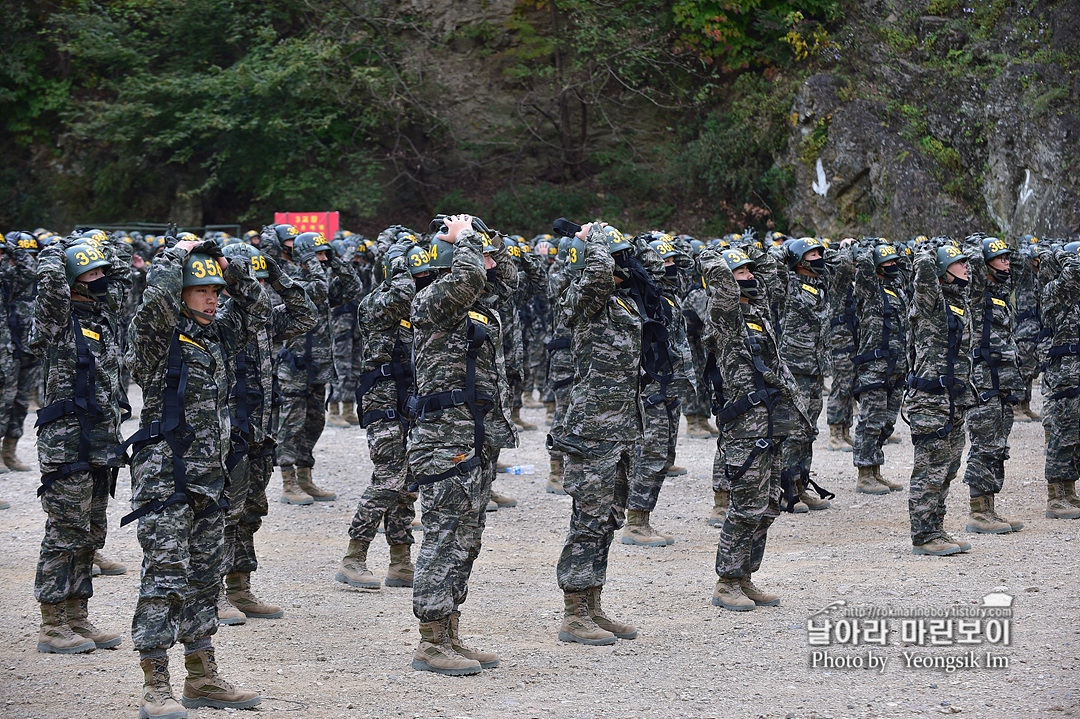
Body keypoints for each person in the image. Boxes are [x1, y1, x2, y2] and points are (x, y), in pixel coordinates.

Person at [124, 237, 263, 717]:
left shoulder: (219, 333)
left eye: (216, 290)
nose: (212, 297)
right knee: (165, 577)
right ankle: (155, 684)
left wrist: (233, 269)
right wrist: (171, 257)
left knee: (205, 579)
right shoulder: (156, 338)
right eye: (200, 288)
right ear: (180, 291)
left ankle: (202, 677)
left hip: (212, 479)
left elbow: (266, 312)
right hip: (167, 479)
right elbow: (153, 305)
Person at [407, 214, 514, 675]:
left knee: (466, 540)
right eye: (478, 254)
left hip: (475, 437)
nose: (486, 263)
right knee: (443, 539)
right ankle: (430, 642)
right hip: (443, 440)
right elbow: (470, 274)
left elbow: (507, 280)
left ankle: (451, 632)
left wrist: (487, 239)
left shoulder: (474, 305)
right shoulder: (434, 300)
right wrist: (465, 238)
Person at [699, 245, 811, 610]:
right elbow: (722, 285)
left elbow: (771, 281)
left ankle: (745, 576)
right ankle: (726, 581)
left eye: (749, 271)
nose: (749, 277)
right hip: (745, 427)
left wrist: (753, 253)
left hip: (772, 422)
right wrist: (719, 255)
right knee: (746, 505)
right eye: (741, 272)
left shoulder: (756, 312)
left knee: (768, 506)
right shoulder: (724, 317)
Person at [31, 234, 128, 654]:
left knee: (91, 533)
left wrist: (98, 249)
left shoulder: (100, 318)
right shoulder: (54, 318)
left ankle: (78, 617)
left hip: (101, 443)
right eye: (90, 273)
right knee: (65, 531)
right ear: (71, 280)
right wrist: (56, 247)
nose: (101, 278)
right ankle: (52, 624)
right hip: (66, 445)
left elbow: (122, 281)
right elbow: (50, 282)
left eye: (100, 269)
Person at [548, 221, 642, 645]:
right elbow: (598, 276)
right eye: (613, 258)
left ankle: (593, 603)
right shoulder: (584, 300)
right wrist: (595, 241)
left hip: (621, 425)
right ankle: (573, 612)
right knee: (588, 518)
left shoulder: (623, 301)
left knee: (608, 518)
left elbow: (647, 266)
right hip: (591, 429)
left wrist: (612, 244)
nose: (622, 265)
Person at [218, 242, 316, 623]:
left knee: (250, 512)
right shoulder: (220, 317)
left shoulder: (265, 319)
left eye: (261, 279)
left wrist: (280, 275)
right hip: (230, 430)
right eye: (250, 278)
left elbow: (305, 316)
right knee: (224, 513)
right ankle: (212, 593)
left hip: (261, 431)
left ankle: (239, 588)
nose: (257, 286)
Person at [337, 241, 427, 590]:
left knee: (406, 486)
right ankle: (353, 557)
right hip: (383, 404)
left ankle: (400, 561)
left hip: (409, 403)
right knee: (389, 479)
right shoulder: (377, 302)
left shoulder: (421, 306)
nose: (424, 282)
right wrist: (406, 255)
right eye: (418, 275)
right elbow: (403, 290)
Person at [275, 229, 362, 504]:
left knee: (314, 423)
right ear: (304, 257)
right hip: (295, 368)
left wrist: (335, 260)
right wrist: (312, 261)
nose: (323, 259)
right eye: (319, 254)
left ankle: (305, 478)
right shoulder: (293, 282)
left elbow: (352, 287)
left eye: (325, 253)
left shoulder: (321, 277)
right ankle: (288, 484)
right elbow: (318, 290)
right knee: (291, 425)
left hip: (319, 367)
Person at [905, 242, 976, 555]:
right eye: (958, 264)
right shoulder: (930, 300)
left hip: (953, 399)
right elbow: (922, 275)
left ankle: (937, 528)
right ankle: (923, 536)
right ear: (943, 271)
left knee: (947, 467)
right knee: (929, 470)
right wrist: (926, 252)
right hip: (930, 399)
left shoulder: (957, 300)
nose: (966, 268)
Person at [623, 233, 691, 546]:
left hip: (671, 381)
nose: (669, 267)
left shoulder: (666, 293)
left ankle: (643, 519)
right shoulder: (634, 295)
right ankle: (635, 522)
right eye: (663, 261)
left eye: (671, 260)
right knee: (649, 454)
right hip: (650, 385)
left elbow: (687, 264)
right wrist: (638, 246)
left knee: (663, 454)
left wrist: (664, 245)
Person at [776, 236, 852, 512]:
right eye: (812, 256)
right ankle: (783, 490)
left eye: (821, 254)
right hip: (794, 368)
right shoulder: (786, 284)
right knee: (792, 431)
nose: (819, 259)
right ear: (797, 262)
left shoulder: (822, 285)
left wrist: (832, 250)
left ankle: (800, 485)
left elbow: (843, 267)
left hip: (816, 368)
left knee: (808, 431)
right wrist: (790, 251)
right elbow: (772, 263)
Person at [962, 236, 1024, 533]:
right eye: (1000, 258)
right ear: (985, 263)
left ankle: (990, 509)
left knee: (999, 444)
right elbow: (972, 263)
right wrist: (977, 244)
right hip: (982, 378)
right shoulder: (975, 291)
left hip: (1002, 378)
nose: (1007, 263)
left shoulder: (1000, 293)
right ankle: (977, 512)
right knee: (985, 443)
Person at [851, 241, 909, 494]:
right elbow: (863, 267)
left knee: (887, 422)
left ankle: (875, 470)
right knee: (870, 421)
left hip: (897, 365)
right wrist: (867, 249)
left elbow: (908, 265)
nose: (893, 266)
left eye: (894, 261)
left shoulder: (898, 289)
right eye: (887, 262)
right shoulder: (868, 291)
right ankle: (864, 475)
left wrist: (892, 252)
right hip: (874, 366)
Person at [1040, 241, 1080, 519]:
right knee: (1062, 433)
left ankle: (1069, 489)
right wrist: (1067, 253)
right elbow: (1073, 271)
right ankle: (1055, 496)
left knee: (1075, 435)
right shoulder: (1054, 291)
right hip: (1065, 372)